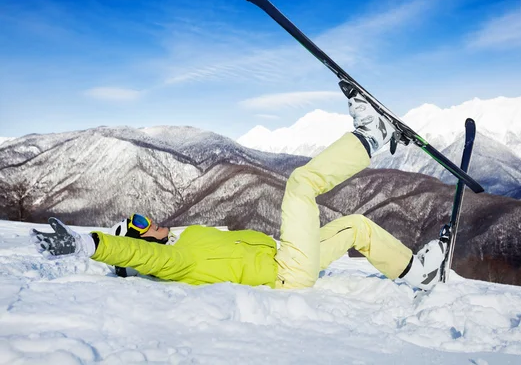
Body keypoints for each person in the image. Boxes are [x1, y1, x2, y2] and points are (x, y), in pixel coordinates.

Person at [30, 91, 449, 291]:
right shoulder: (169, 260)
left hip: (287, 261)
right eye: (140, 223)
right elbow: (132, 254)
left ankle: (418, 272)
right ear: (138, 239)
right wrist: (88, 245)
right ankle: (370, 137)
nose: (149, 221)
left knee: (356, 226)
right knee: (300, 184)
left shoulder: (184, 240)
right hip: (287, 272)